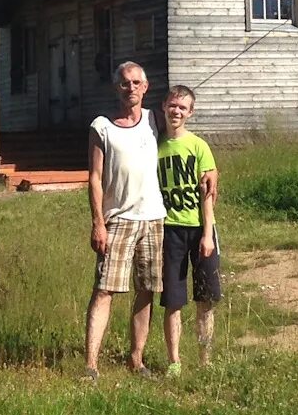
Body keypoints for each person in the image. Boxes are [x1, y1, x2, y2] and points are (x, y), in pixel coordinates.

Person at [83, 60, 166, 380]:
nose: (130, 88)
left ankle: (137, 359)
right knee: (105, 290)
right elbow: (94, 177)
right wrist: (98, 222)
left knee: (146, 290)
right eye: (124, 83)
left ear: (145, 87)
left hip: (153, 219)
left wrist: (209, 170)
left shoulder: (153, 120)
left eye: (136, 83)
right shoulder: (102, 126)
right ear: (115, 88)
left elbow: (184, 135)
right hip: (117, 220)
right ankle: (91, 364)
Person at [156, 83, 220, 375]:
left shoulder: (198, 146)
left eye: (182, 107)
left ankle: (205, 360)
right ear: (163, 107)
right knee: (173, 299)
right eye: (173, 105)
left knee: (205, 298)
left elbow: (208, 194)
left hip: (200, 229)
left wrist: (207, 234)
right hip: (169, 230)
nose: (176, 111)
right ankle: (175, 361)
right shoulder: (155, 147)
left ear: (190, 113)